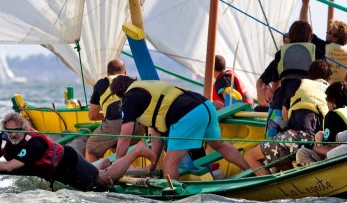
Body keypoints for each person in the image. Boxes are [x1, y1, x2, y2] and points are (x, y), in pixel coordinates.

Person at [107, 76, 250, 180]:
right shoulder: (147, 87)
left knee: (169, 162)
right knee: (219, 144)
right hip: (205, 106)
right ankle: (250, 172)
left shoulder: (129, 98)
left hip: (188, 115)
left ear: (119, 96)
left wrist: (118, 164)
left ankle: (174, 201)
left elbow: (125, 137)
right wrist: (154, 163)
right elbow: (156, 133)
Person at [0, 112, 138, 191]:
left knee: (104, 181)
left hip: (69, 164)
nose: (14, 134)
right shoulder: (4, 137)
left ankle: (136, 151)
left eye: (17, 130)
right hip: (58, 171)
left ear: (25, 129)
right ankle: (103, 163)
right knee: (98, 173)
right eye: (10, 131)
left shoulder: (35, 143)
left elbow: (9, 167)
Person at [244, 60, 332, 175]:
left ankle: (273, 189)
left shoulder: (297, 84)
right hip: (319, 140)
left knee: (250, 156)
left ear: (309, 75)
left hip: (297, 136)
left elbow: (285, 117)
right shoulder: (331, 91)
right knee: (282, 158)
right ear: (329, 78)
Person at [294, 81, 347, 166]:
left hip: (343, 159)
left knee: (302, 152)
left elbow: (331, 150)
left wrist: (310, 146)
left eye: (327, 99)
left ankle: (318, 178)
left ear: (333, 101)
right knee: (320, 134)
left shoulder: (332, 116)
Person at [84, 59, 138, 161]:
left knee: (91, 149)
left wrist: (107, 115)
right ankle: (131, 172)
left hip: (118, 123)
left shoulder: (102, 83)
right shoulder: (132, 81)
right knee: (116, 145)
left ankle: (95, 175)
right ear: (125, 72)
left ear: (107, 73)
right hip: (139, 125)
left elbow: (93, 115)